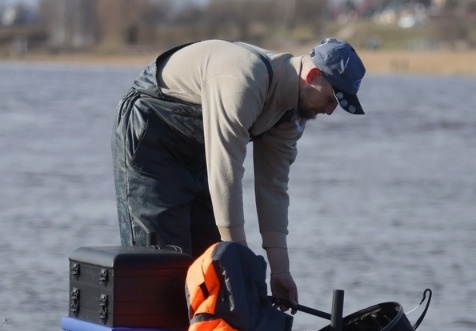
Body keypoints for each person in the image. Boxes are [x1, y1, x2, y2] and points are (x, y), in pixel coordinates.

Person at [112, 38, 366, 306]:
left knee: (208, 266)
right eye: (331, 98)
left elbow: (273, 189)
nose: (329, 111)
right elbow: (226, 172)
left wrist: (280, 271)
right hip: (151, 137)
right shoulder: (245, 80)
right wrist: (240, 260)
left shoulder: (291, 116)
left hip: (199, 153)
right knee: (165, 264)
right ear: (313, 75)